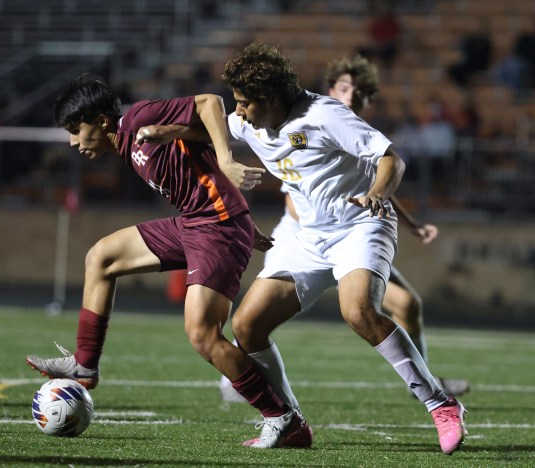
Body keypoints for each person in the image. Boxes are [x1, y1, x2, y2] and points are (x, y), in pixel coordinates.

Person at [26, 73, 303, 449]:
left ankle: (281, 417)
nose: (74, 141)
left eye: (77, 129)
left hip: (217, 227)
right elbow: (195, 161)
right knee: (101, 257)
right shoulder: (128, 143)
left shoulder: (138, 119)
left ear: (103, 121)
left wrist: (228, 163)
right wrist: (241, 214)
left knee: (203, 335)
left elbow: (210, 103)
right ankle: (85, 364)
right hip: (197, 223)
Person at [218, 43, 467, 455]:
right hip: (307, 236)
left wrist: (376, 194)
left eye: (244, 103)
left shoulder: (325, 114)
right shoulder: (251, 122)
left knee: (358, 311)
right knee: (246, 326)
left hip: (360, 224)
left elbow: (391, 160)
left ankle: (441, 404)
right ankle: (289, 422)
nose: (238, 112)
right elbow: (201, 122)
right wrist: (143, 128)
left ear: (272, 99)